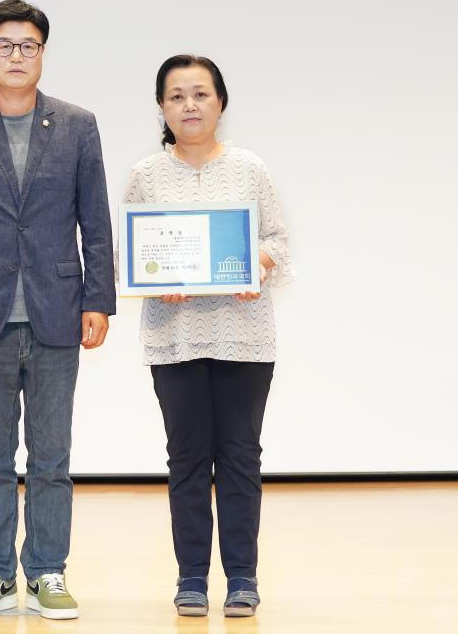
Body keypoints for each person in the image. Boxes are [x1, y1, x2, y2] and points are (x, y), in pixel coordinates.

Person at [0, 0, 115, 621]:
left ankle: (48, 572)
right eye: (3, 46)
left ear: (43, 53)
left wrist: (99, 298)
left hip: (59, 308)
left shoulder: (78, 124)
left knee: (53, 456)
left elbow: (96, 219)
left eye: (28, 46)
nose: (15, 56)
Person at [123, 55, 294, 618]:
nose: (189, 106)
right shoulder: (147, 174)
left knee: (241, 456)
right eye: (176, 96)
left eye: (200, 94)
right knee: (187, 458)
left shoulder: (249, 167)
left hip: (244, 334)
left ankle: (243, 577)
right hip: (176, 337)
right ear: (162, 108)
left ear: (221, 101)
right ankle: (191, 577)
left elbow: (278, 240)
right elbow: (134, 253)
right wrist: (158, 280)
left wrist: (257, 265)